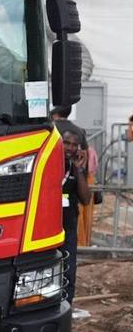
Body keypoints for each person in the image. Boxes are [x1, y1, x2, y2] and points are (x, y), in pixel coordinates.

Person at [61, 129, 93, 308]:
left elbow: (86, 198)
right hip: (45, 228)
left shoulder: (76, 168)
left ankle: (65, 314)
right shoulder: (49, 163)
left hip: (68, 227)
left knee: (68, 273)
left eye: (74, 145)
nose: (70, 148)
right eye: (67, 143)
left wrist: (79, 170)